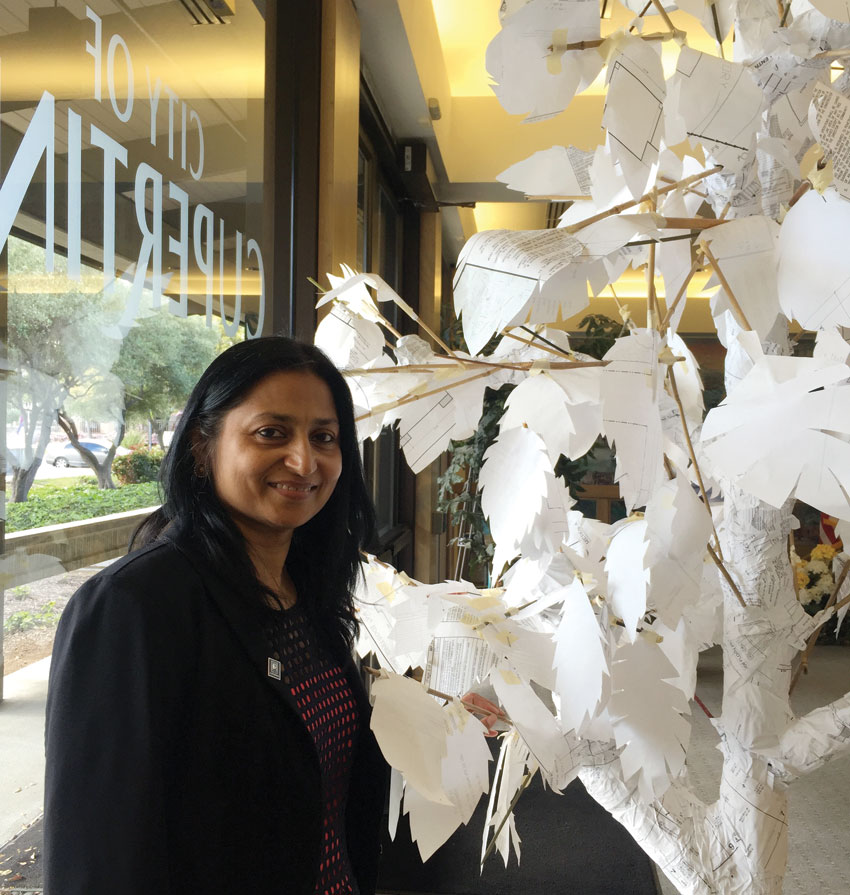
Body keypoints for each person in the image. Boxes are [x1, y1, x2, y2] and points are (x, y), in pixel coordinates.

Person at [43, 336, 388, 895]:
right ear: (202, 449)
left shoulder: (306, 590)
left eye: (324, 437)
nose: (304, 461)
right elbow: (98, 855)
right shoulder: (134, 605)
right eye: (271, 433)